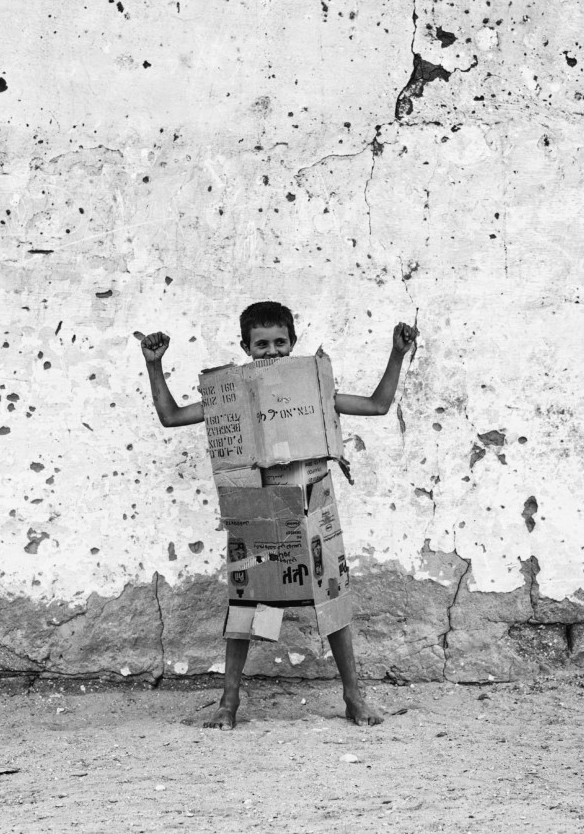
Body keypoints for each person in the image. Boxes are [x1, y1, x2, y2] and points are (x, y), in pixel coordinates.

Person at [140, 301, 418, 730]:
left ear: (293, 342)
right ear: (245, 348)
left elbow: (379, 405)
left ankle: (353, 696)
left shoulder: (313, 390)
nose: (272, 351)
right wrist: (154, 365)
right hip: (256, 512)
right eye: (262, 344)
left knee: (331, 600)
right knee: (246, 604)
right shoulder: (232, 395)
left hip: (312, 509)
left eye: (280, 342)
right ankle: (228, 703)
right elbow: (171, 416)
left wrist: (397, 354)